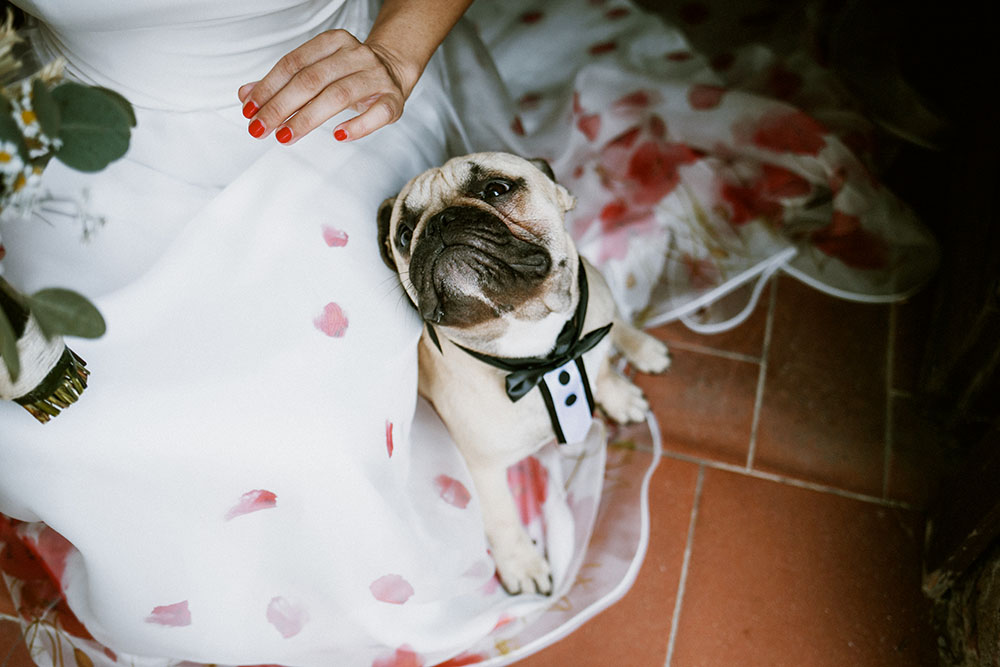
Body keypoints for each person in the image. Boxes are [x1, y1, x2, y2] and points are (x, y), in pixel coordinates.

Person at [0, 0, 938, 665]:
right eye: (412, 231)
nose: (453, 226)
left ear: (557, 189)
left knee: (596, 337)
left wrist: (398, 54)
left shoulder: (580, 278)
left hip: (342, 85)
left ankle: (601, 375)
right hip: (91, 142)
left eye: (495, 192)